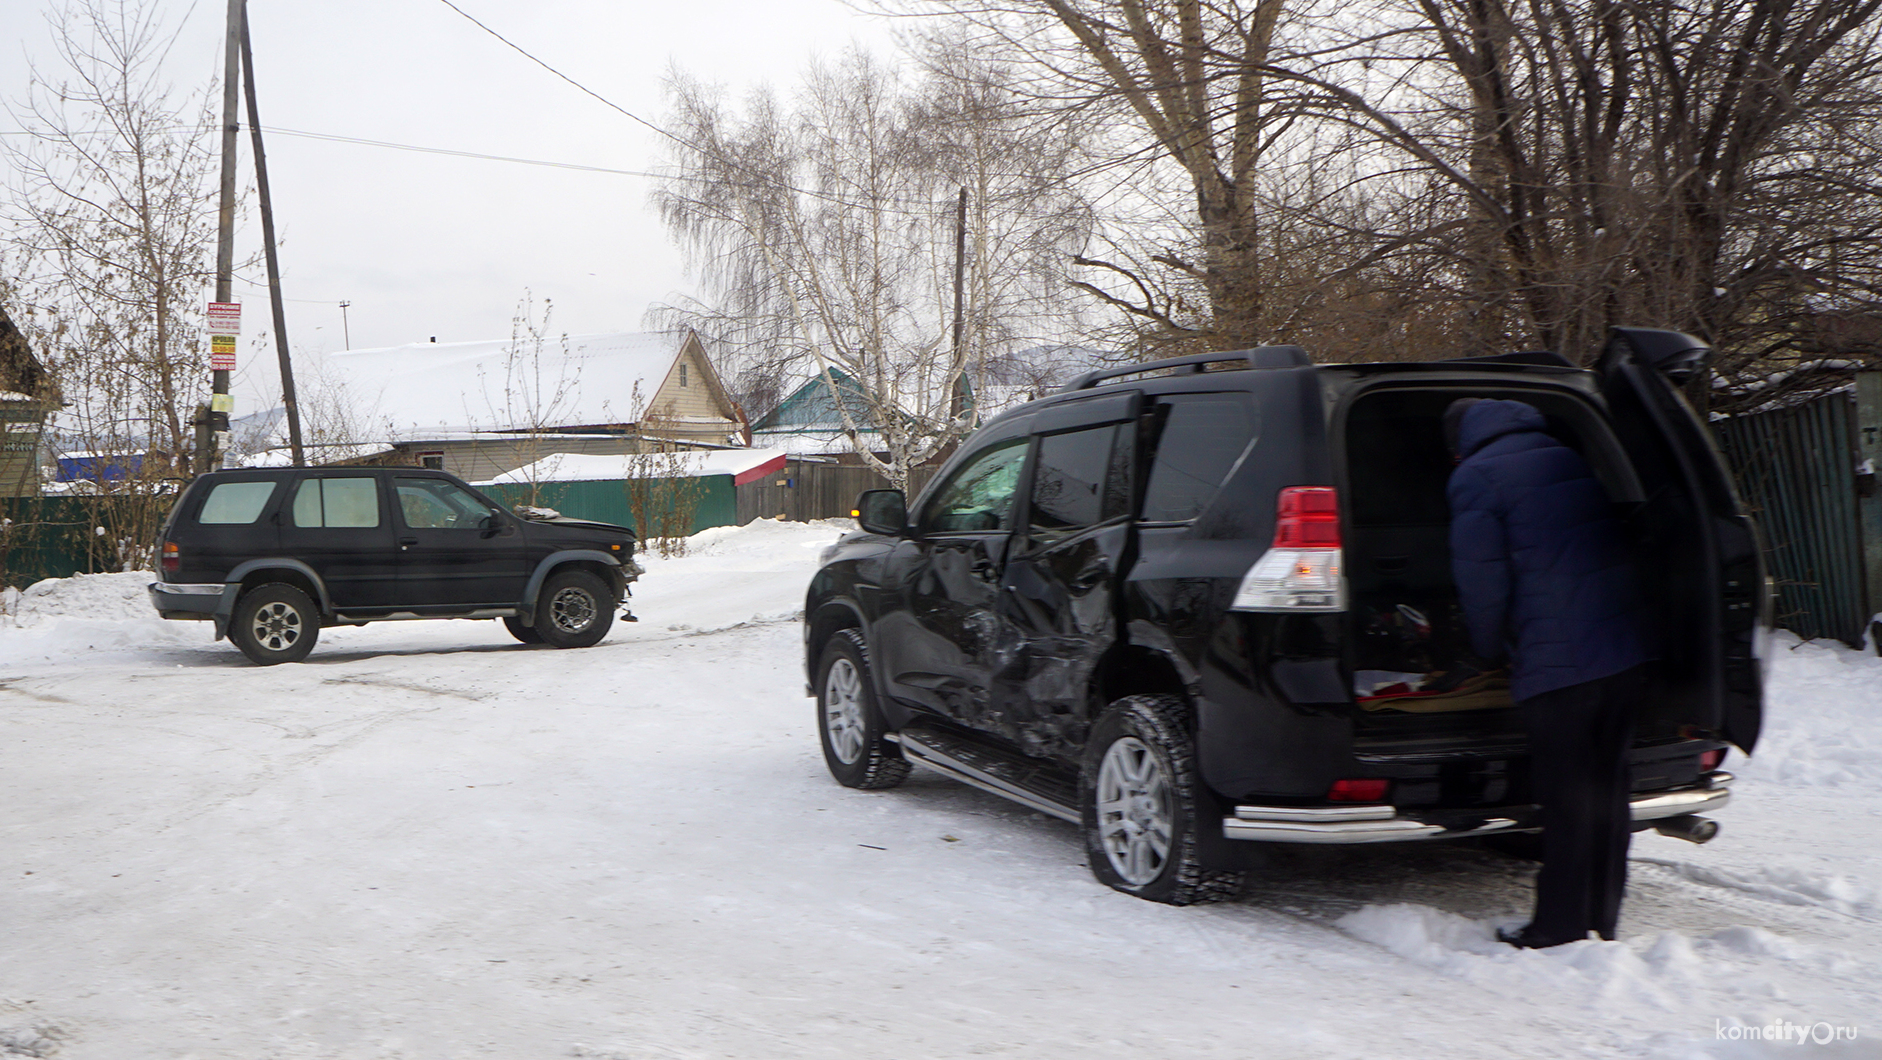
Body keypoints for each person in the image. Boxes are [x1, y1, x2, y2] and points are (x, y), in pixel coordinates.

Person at [1443, 397, 1650, 948]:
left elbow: (1482, 585)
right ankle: (1601, 918)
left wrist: (1484, 653)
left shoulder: (1475, 478)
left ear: (1459, 444)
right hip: (1622, 653)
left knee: (1566, 799)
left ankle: (1557, 927)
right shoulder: (1565, 454)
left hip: (1560, 665)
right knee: (1608, 792)